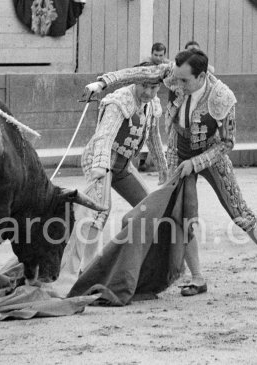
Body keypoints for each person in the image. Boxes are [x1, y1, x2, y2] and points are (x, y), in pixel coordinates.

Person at [84, 48, 257, 296]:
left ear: (202, 76)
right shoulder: (174, 74)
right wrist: (102, 83)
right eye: (176, 78)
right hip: (178, 151)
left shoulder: (223, 97)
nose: (176, 84)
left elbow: (227, 143)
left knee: (239, 211)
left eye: (184, 80)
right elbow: (139, 73)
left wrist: (196, 163)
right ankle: (197, 277)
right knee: (182, 214)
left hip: (211, 154)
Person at [55, 79, 169, 293]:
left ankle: (139, 268)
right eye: (144, 86)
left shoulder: (153, 105)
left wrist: (164, 170)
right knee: (97, 212)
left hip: (123, 165)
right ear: (136, 82)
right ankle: (81, 272)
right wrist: (100, 167)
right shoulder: (119, 102)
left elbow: (153, 139)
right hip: (100, 159)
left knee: (150, 208)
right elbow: (104, 137)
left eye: (154, 88)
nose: (148, 92)